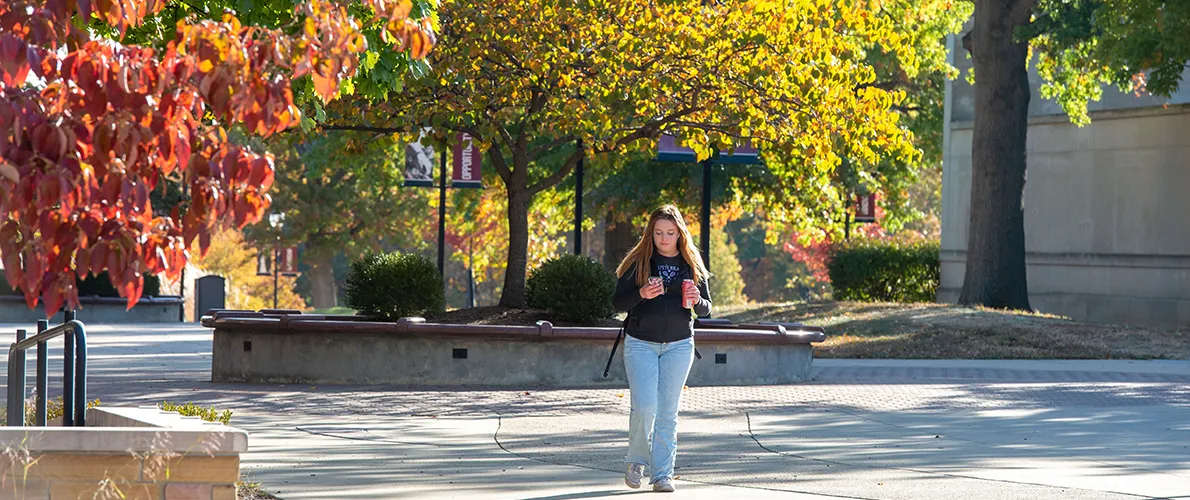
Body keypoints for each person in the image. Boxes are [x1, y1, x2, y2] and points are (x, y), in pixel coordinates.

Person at [611, 204, 712, 493]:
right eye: (658, 233)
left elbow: (706, 308)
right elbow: (617, 303)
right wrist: (641, 293)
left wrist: (697, 301)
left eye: (670, 232)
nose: (664, 239)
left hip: (679, 345)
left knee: (668, 411)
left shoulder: (691, 263)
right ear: (650, 233)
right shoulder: (639, 262)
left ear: (680, 232)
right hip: (641, 343)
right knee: (644, 406)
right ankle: (636, 461)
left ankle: (663, 474)